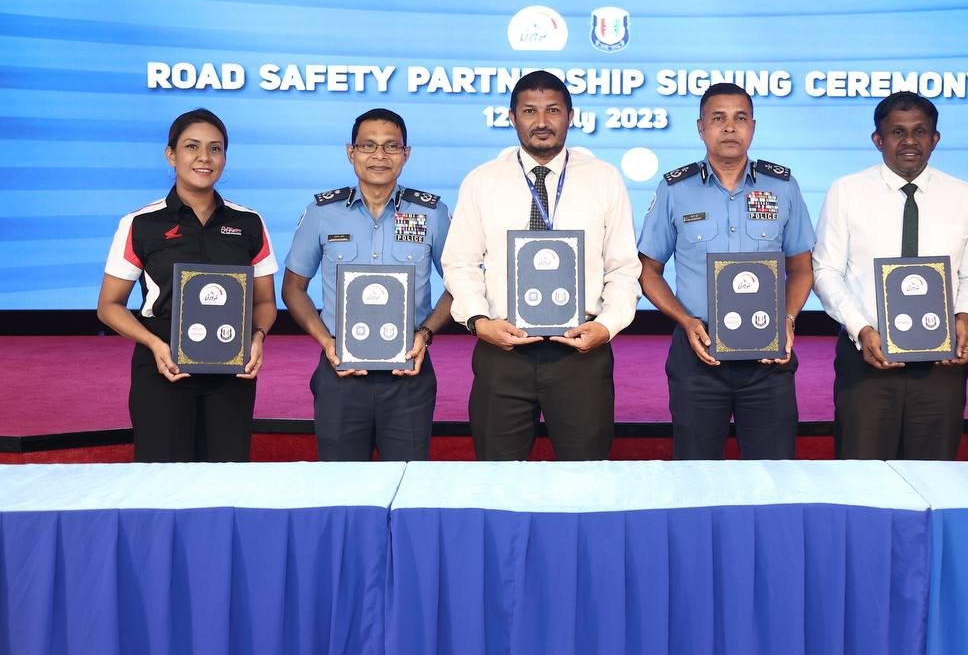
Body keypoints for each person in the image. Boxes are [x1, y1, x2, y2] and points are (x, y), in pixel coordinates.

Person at [442, 70, 640, 461]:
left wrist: (607, 325)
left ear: (571, 116)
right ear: (511, 117)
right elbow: (460, 263)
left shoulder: (604, 179)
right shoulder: (482, 181)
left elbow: (622, 267)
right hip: (503, 349)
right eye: (529, 111)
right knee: (497, 476)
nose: (542, 121)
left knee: (586, 475)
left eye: (553, 110)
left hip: (580, 350)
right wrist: (479, 322)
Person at [637, 83, 814, 459]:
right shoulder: (675, 189)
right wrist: (685, 321)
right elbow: (648, 270)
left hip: (769, 355)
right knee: (696, 472)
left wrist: (787, 319)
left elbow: (801, 268)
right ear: (701, 127)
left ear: (753, 127)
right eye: (719, 118)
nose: (730, 127)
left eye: (740, 118)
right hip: (698, 350)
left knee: (774, 474)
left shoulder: (783, 187)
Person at [812, 93, 968, 460]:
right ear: (878, 140)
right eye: (897, 132)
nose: (910, 141)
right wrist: (862, 330)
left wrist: (964, 317)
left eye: (920, 131)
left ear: (935, 138)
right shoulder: (846, 192)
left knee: (933, 477)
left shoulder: (963, 195)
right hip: (867, 359)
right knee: (863, 477)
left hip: (942, 365)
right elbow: (826, 271)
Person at [98, 108, 277, 462]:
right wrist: (154, 344)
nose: (204, 158)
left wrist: (257, 337)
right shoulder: (140, 224)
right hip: (163, 369)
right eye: (192, 146)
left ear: (225, 157)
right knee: (163, 481)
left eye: (215, 148)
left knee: (226, 479)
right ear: (171, 155)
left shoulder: (249, 223)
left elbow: (265, 302)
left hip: (232, 372)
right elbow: (109, 306)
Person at [282, 108, 453, 461]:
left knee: (406, 482)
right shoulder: (321, 212)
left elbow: (459, 285)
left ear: (406, 154)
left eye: (391, 146)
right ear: (351, 152)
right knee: (342, 485)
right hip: (339, 373)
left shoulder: (432, 213)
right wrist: (326, 342)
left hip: (408, 374)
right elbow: (293, 288)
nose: (379, 155)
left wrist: (426, 333)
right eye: (368, 145)